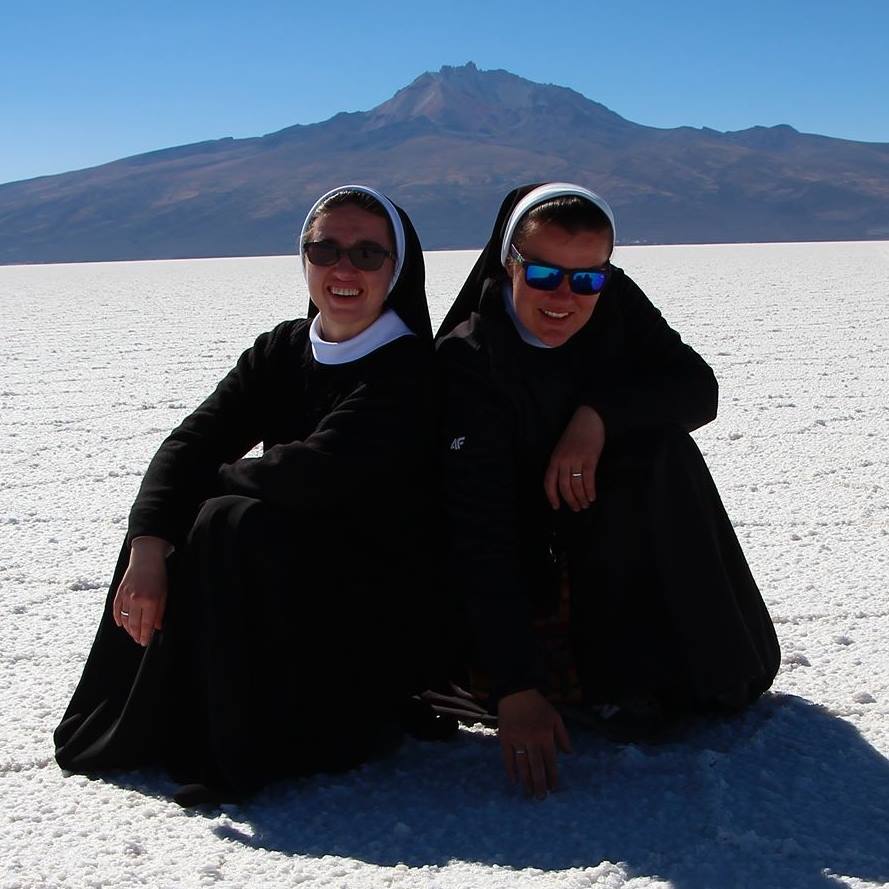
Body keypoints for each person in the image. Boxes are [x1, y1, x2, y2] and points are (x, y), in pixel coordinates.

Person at [54, 184, 445, 805]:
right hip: (280, 573)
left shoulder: (411, 369)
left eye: (368, 254)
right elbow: (192, 442)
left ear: (397, 269)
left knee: (229, 520)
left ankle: (279, 736)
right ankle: (173, 721)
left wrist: (202, 487)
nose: (344, 269)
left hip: (366, 607)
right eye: (325, 250)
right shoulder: (282, 348)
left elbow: (311, 473)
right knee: (172, 520)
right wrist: (149, 546)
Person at [435, 182, 781, 799]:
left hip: (602, 536)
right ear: (509, 263)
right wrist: (516, 687)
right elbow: (478, 530)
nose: (566, 297)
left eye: (588, 279)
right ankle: (596, 676)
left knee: (660, 450)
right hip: (525, 559)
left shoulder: (615, 302)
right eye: (544, 275)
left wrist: (597, 417)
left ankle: (678, 663)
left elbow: (696, 387)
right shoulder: (470, 361)